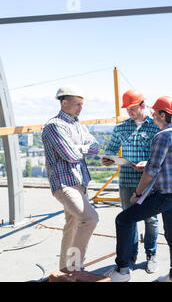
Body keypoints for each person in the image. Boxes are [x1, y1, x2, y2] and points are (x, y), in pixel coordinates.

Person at [105, 96, 172, 282]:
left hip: (165, 194)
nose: (152, 114)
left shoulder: (161, 136)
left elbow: (150, 172)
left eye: (155, 111)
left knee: (123, 219)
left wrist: (137, 194)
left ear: (162, 114)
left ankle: (122, 270)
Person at [42, 85, 100, 271]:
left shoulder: (78, 125)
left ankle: (64, 270)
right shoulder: (54, 126)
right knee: (89, 218)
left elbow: (95, 147)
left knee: (73, 224)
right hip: (64, 183)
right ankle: (75, 266)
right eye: (77, 104)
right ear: (64, 103)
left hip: (80, 183)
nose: (80, 108)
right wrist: (82, 148)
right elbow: (71, 155)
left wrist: (79, 147)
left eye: (82, 104)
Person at [102, 89, 160, 273]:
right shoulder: (120, 128)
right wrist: (107, 159)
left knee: (150, 220)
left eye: (133, 108)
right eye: (127, 109)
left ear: (143, 106)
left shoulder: (155, 126)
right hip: (127, 181)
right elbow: (110, 149)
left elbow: (161, 153)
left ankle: (151, 254)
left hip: (149, 181)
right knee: (129, 219)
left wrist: (148, 163)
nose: (130, 112)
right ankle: (131, 256)